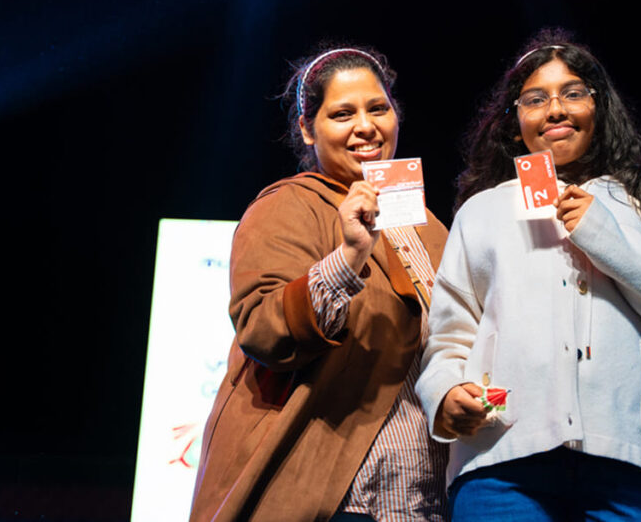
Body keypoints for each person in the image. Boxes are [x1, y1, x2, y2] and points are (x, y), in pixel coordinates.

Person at [414, 28, 641, 521]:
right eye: (535, 99)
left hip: (626, 463)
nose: (555, 111)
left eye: (572, 93)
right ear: (515, 122)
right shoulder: (482, 211)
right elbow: (449, 335)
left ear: (599, 107)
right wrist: (445, 392)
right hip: (500, 457)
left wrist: (609, 238)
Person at [188, 45, 449, 522]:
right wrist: (348, 257)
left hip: (419, 499)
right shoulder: (286, 206)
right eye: (342, 114)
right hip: (333, 499)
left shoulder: (430, 227)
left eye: (378, 108)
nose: (365, 126)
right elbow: (263, 331)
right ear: (308, 129)